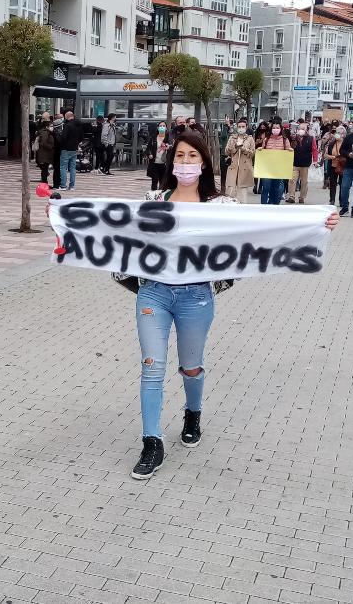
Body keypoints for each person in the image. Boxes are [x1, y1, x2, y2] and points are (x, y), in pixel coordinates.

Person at [130, 132, 339, 479]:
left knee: (191, 367)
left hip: (195, 296)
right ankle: (152, 441)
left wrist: (319, 222)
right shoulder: (154, 199)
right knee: (152, 367)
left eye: (192, 157)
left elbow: (261, 229)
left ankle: (192, 412)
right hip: (153, 294)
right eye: (179, 156)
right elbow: (122, 231)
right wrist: (66, 218)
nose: (184, 163)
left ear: (204, 163)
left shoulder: (221, 207)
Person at [257, 121, 292, 205]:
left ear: (281, 129)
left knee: (276, 188)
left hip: (278, 169)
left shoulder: (285, 140)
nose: (275, 129)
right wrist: (260, 150)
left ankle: (274, 205)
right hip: (267, 168)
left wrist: (290, 150)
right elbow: (264, 150)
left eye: (277, 128)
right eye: (273, 128)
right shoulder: (267, 139)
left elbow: (288, 151)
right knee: (266, 187)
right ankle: (264, 206)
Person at [222, 120, 255, 203]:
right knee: (231, 189)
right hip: (233, 166)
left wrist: (243, 149)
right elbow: (226, 152)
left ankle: (242, 209)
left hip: (244, 167)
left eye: (243, 126)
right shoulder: (232, 137)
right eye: (239, 126)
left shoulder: (250, 139)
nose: (241, 128)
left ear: (246, 127)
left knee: (242, 190)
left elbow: (252, 153)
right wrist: (235, 147)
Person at [285, 122, 317, 204]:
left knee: (304, 181)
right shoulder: (294, 138)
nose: (300, 130)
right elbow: (289, 147)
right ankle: (291, 196)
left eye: (303, 129)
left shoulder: (310, 138)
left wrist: (315, 160)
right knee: (292, 180)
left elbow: (314, 150)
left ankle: (302, 197)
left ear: (306, 130)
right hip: (295, 162)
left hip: (305, 163)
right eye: (299, 129)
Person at [57, 109, 83, 191]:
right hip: (74, 149)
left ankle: (63, 185)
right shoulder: (78, 125)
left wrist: (59, 137)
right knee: (72, 168)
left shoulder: (67, 125)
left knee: (63, 167)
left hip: (66, 149)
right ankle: (72, 186)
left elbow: (63, 138)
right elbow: (81, 137)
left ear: (67, 117)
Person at [323, 126, 345, 206]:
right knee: (332, 183)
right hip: (333, 165)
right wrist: (332, 157)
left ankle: (341, 200)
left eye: (340, 133)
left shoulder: (346, 143)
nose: (338, 134)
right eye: (337, 133)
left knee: (343, 184)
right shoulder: (332, 143)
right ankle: (332, 200)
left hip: (343, 166)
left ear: (343, 134)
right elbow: (325, 155)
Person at [146, 122, 170, 190]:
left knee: (163, 182)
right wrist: (149, 154)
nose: (162, 127)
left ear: (166, 128)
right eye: (160, 126)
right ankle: (153, 197)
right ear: (158, 128)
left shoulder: (169, 138)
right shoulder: (153, 138)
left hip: (164, 164)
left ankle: (161, 197)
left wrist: (169, 147)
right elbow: (148, 149)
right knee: (154, 181)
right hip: (155, 163)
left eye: (163, 126)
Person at [34, 119, 57, 185]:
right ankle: (44, 182)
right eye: (51, 125)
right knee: (44, 168)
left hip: (44, 153)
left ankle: (44, 182)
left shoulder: (45, 132)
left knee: (44, 168)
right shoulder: (45, 132)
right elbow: (44, 143)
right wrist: (51, 146)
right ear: (47, 126)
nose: (52, 127)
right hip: (45, 153)